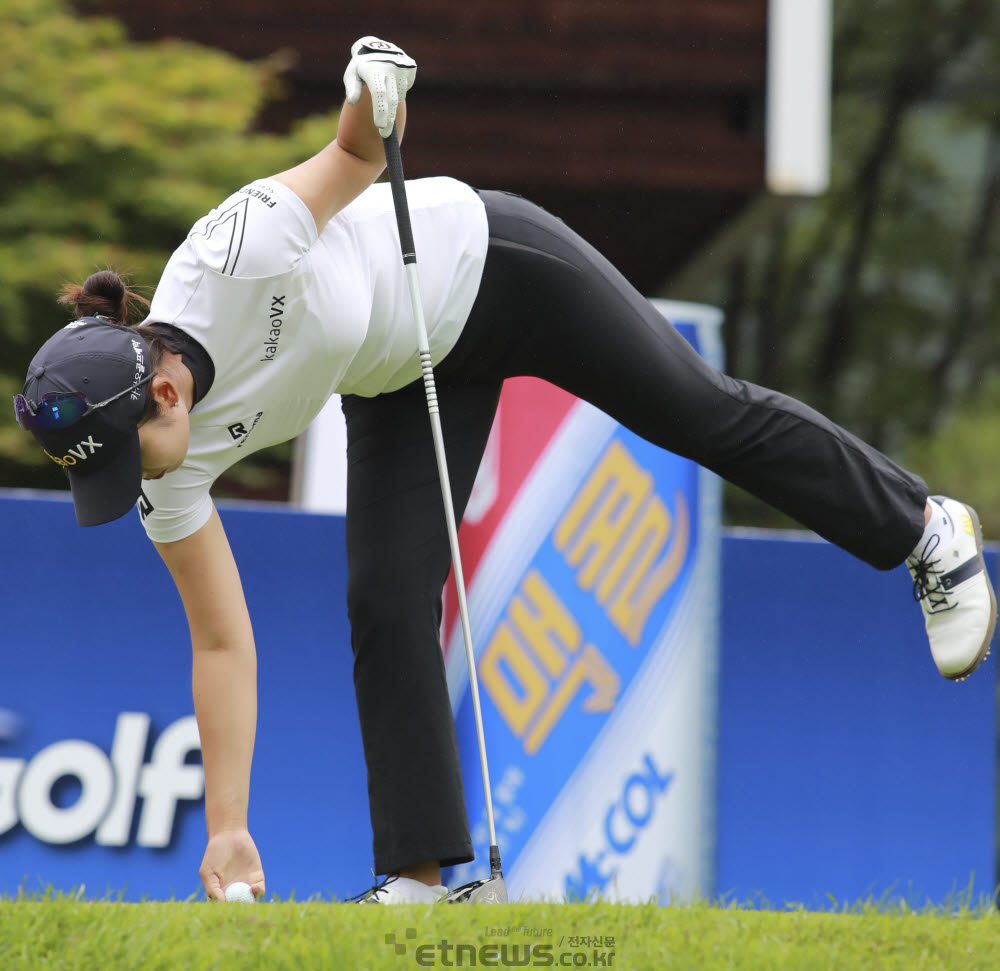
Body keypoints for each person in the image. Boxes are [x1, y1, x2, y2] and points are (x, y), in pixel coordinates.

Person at [15, 36, 996, 905]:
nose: (125, 483)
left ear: (167, 396)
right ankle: (417, 879)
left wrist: (369, 84)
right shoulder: (162, 466)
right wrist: (226, 823)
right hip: (402, 375)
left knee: (697, 410)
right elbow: (222, 641)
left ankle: (923, 530)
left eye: (118, 455)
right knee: (387, 599)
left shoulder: (239, 251)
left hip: (493, 266)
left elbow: (357, 153)